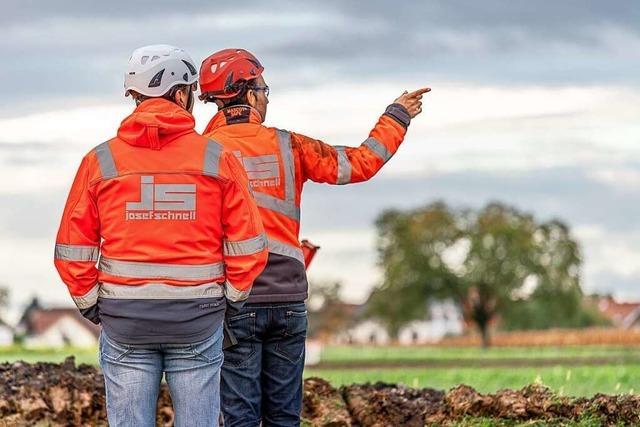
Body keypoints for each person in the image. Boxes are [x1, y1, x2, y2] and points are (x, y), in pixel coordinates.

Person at [198, 48, 429, 427]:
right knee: (285, 417)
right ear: (250, 94)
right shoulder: (290, 145)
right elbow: (360, 162)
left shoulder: (201, 154)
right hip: (288, 299)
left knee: (239, 418)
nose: (266, 96)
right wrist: (397, 116)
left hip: (235, 301)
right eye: (265, 88)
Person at [53, 45, 268, 427]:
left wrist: (91, 303)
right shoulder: (217, 157)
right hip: (198, 319)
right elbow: (249, 244)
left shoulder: (100, 160)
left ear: (135, 97)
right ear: (181, 93)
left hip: (125, 321)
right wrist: (231, 300)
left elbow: (73, 249)